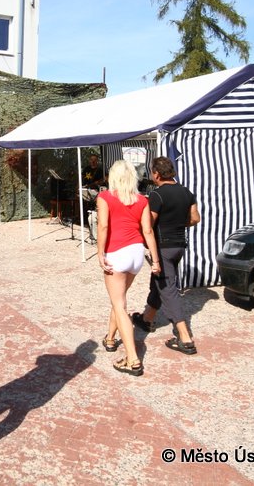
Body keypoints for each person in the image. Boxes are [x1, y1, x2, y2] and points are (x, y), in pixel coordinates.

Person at [131, 156, 201, 355]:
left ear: (157, 174)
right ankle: (147, 318)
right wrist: (177, 223)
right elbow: (195, 218)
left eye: (152, 172)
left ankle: (185, 338)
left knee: (168, 288)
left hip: (163, 247)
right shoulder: (186, 192)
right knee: (160, 281)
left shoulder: (157, 195)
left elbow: (149, 224)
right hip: (179, 245)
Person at [97, 160, 159, 377]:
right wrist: (156, 260)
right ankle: (110, 338)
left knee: (119, 305)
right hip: (136, 253)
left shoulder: (105, 197)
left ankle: (132, 359)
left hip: (116, 252)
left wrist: (100, 252)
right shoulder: (142, 200)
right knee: (119, 299)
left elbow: (103, 225)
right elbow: (147, 231)